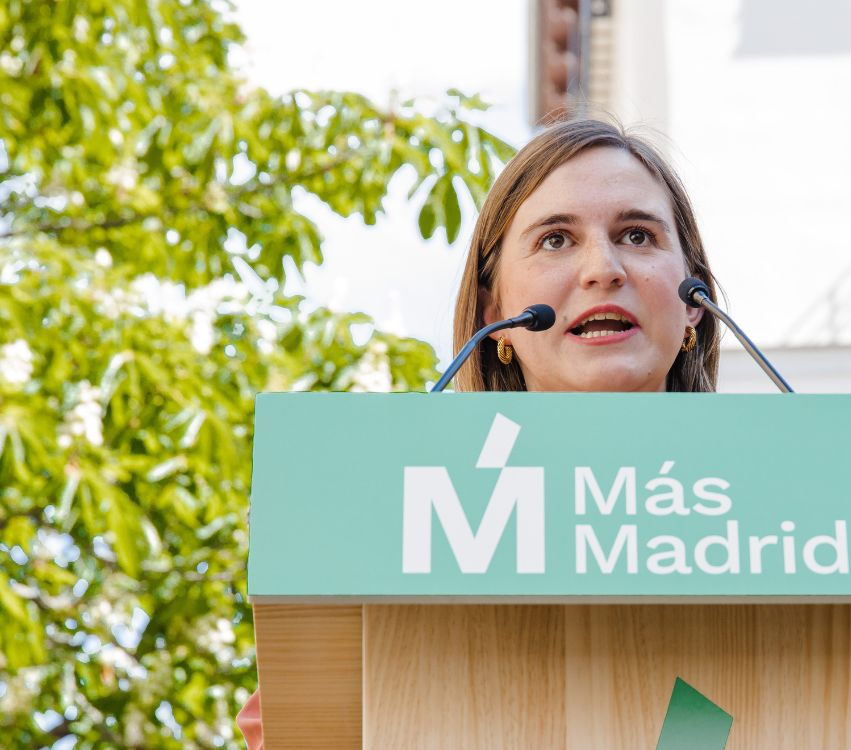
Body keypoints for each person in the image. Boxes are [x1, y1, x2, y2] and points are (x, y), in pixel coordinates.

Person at [235, 116, 721, 747]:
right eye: (555, 240)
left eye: (637, 234)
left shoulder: (788, 516)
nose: (603, 268)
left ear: (692, 302)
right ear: (497, 313)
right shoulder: (404, 519)